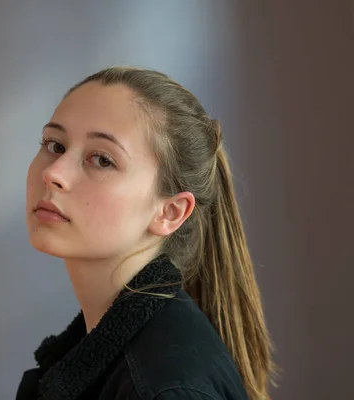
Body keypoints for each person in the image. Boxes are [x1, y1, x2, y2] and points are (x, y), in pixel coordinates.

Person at [17, 67, 277, 400]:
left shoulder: (163, 388)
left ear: (170, 213)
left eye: (101, 159)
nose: (54, 173)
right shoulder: (122, 358)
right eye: (55, 145)